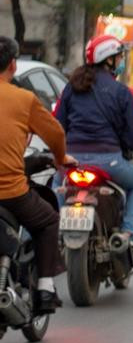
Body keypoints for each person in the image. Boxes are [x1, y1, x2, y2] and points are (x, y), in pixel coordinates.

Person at [0, 35, 73, 313]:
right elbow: (56, 134)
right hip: (11, 193)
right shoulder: (24, 99)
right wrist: (61, 158)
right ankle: (44, 288)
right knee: (48, 221)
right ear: (13, 65)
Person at [55, 34, 133, 249]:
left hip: (73, 161)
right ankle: (128, 233)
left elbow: (57, 126)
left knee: (56, 183)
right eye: (119, 57)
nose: (121, 61)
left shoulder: (71, 88)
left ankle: (58, 226)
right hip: (110, 161)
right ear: (110, 60)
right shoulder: (121, 92)